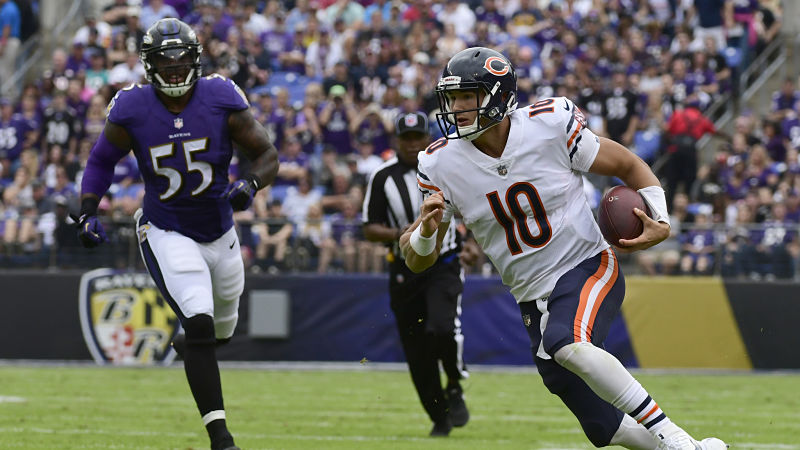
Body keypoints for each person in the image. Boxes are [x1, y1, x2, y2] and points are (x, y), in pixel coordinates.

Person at [400, 47, 727, 450]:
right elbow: (417, 260)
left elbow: (626, 164)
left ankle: (672, 435)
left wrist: (660, 217)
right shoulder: (439, 163)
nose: (457, 108)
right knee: (603, 427)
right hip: (530, 296)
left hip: (585, 263)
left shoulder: (549, 125)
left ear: (499, 96)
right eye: (452, 98)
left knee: (567, 342)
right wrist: (426, 231)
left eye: (468, 96)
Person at [75, 19, 278, 450]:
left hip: (221, 232)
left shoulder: (220, 96)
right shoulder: (131, 106)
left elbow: (266, 153)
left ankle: (195, 345)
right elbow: (101, 160)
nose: (173, 71)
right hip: (166, 228)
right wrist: (88, 210)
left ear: (196, 61)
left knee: (221, 330)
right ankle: (221, 437)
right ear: (149, 66)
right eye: (164, 64)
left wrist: (251, 183)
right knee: (199, 320)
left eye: (180, 62)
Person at [362, 111, 474, 437]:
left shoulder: (446, 165)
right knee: (416, 350)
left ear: (427, 138)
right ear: (397, 141)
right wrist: (403, 234)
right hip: (404, 269)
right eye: (406, 138)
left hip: (443, 263)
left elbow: (473, 207)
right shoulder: (382, 176)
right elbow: (369, 227)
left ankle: (454, 382)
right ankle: (439, 417)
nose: (412, 144)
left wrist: (473, 243)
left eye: (417, 137)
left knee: (442, 328)